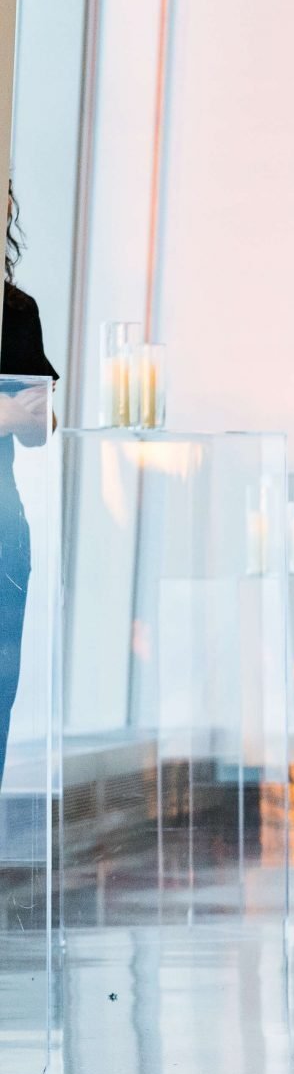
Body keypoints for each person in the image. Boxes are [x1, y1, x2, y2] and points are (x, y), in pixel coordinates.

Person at [0, 192, 57, 785]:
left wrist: (24, 414)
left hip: (4, 528)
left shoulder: (16, 309)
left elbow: (42, 421)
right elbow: (18, 412)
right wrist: (7, 413)